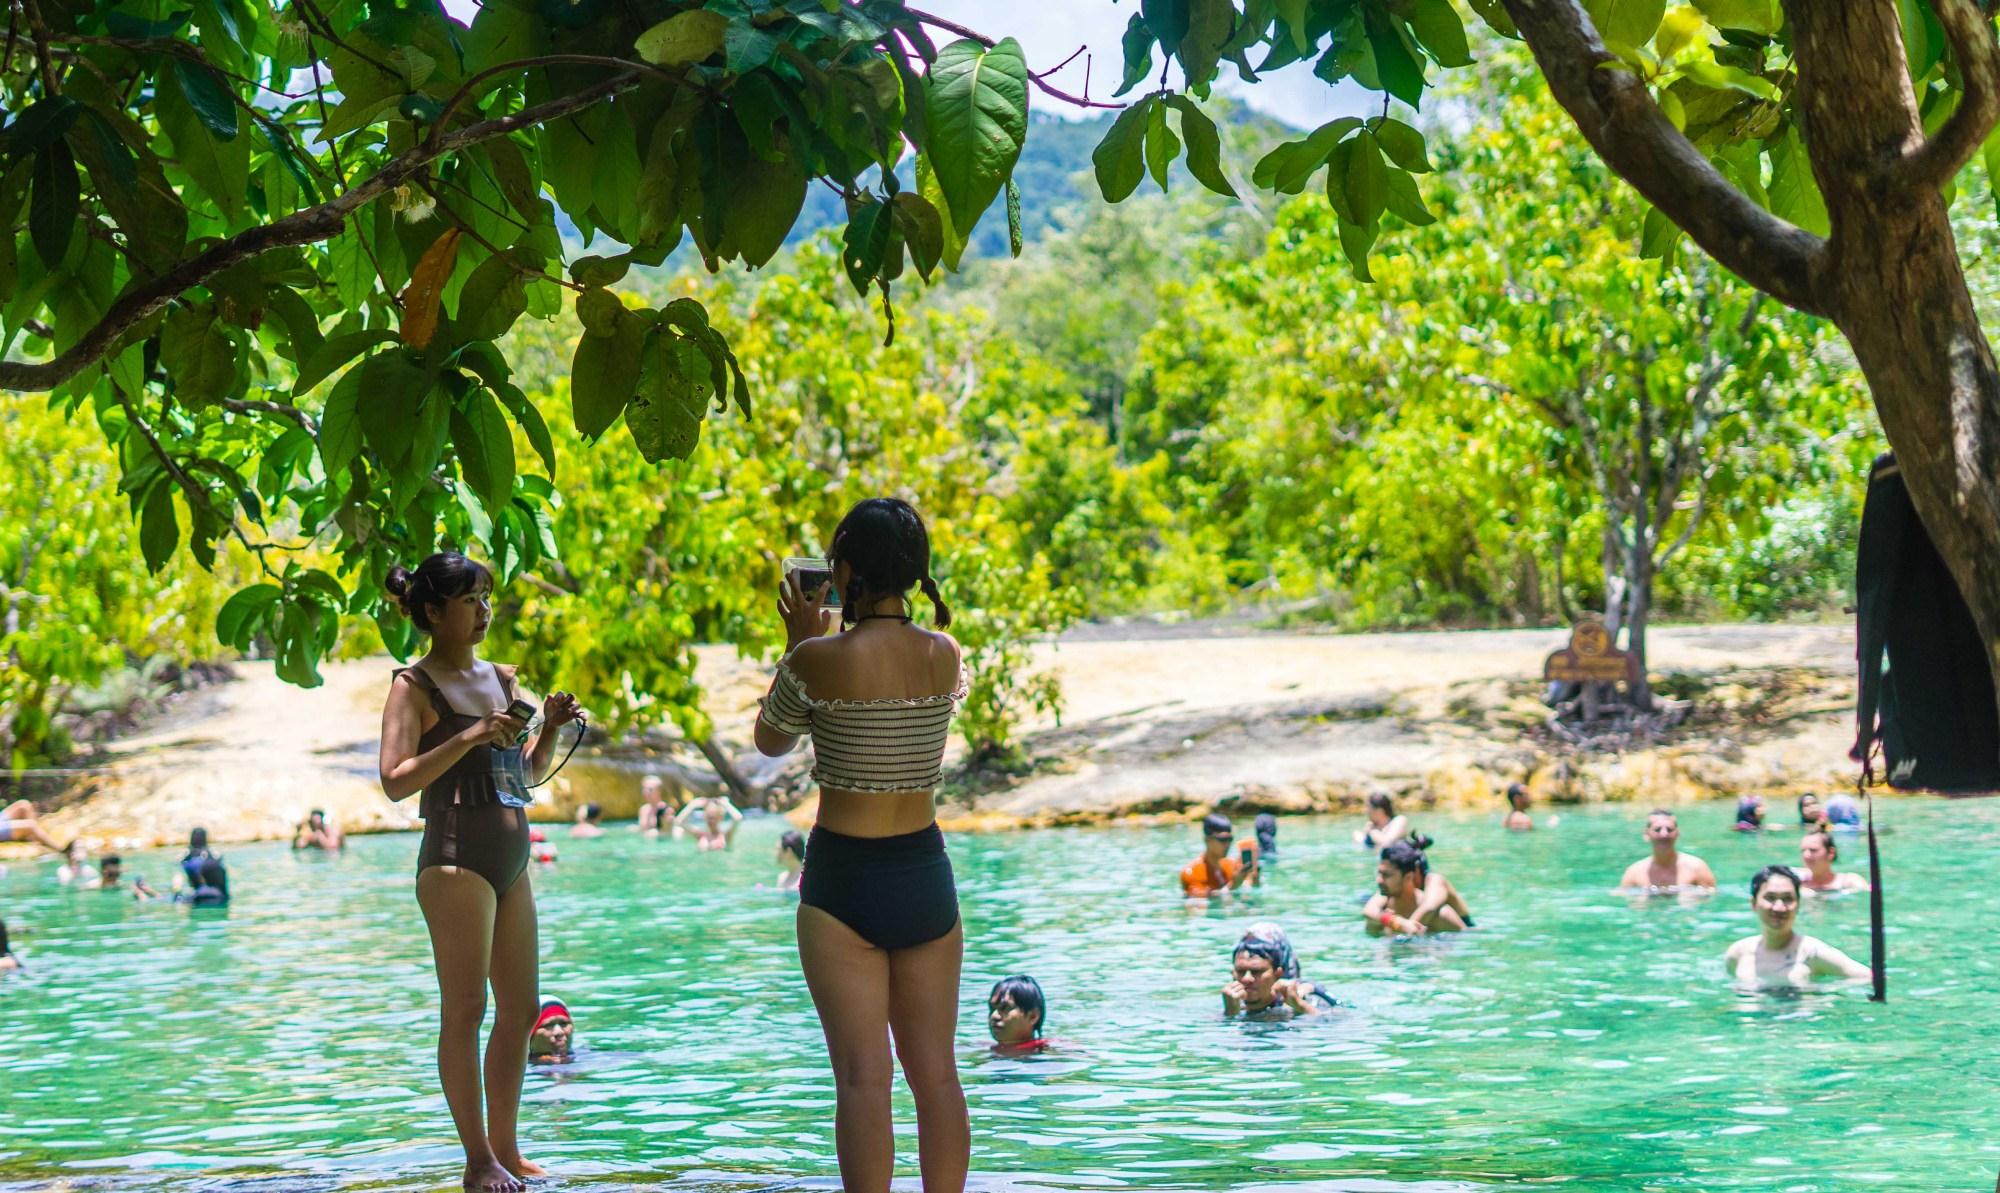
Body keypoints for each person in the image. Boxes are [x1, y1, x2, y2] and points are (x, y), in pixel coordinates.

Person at [752, 497, 970, 1193]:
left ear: (844, 571)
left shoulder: (818, 658)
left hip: (842, 879)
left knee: (862, 1077)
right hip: (924, 874)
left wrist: (797, 641)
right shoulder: (945, 652)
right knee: (935, 1072)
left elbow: (768, 741)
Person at [377, 551, 583, 1193]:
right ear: (433, 612)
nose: (484, 611)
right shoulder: (412, 687)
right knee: (465, 1009)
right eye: (471, 601)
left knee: (520, 1009)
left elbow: (522, 770)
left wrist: (543, 729)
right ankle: (476, 1161)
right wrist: (466, 737)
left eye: (487, 599)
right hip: (454, 857)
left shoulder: (503, 676)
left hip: (511, 856)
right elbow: (391, 781)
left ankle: (506, 1148)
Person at [1724, 865, 1872, 987]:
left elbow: (1869, 978)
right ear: (1754, 904)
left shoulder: (1813, 953)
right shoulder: (1738, 953)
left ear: (1798, 905)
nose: (1779, 907)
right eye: (1770, 898)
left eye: (1788, 899)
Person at [1364, 840, 1470, 935]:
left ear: (1413, 873)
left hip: (1462, 929)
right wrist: (1397, 922)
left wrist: (1406, 929)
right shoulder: (1389, 890)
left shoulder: (1434, 881)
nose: (1379, 880)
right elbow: (1369, 910)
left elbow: (1429, 907)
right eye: (1379, 873)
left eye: (1386, 875)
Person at [1222, 933, 1336, 1016]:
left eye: (1257, 972)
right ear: (1233, 974)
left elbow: (1336, 1025)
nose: (1247, 979)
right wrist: (1230, 1012)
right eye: (1241, 971)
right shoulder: (1231, 1005)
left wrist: (1301, 1006)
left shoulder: (1302, 1000)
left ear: (1277, 974)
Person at [1618, 809, 1717, 891]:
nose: (1664, 834)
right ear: (1646, 834)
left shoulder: (1697, 868)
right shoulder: (1634, 873)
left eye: (1669, 829)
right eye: (1657, 829)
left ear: (1677, 833)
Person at [1180, 813, 1259, 897]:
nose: (1227, 844)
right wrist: (1233, 886)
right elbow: (1199, 902)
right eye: (1223, 839)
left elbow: (1250, 891)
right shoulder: (1191, 873)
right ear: (1207, 840)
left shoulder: (1232, 865)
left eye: (1229, 839)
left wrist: (1254, 878)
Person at [987, 975, 1050, 1053]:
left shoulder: (1047, 1049)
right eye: (991, 1009)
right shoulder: (987, 1049)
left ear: (1033, 1017)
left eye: (1004, 1008)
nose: (994, 1016)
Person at [1797, 831, 1871, 894]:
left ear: (1831, 853)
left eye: (1813, 850)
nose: (1806, 856)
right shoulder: (1796, 883)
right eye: (1803, 851)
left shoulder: (1850, 881)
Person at [673, 794, 743, 851]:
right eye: (708, 818)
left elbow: (738, 818)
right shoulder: (700, 835)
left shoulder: (726, 836)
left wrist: (726, 804)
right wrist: (692, 805)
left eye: (713, 818)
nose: (710, 821)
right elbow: (678, 822)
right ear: (704, 817)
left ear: (720, 818)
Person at [87, 855, 158, 900]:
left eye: (117, 872)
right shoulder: (92, 886)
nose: (116, 878)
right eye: (113, 874)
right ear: (104, 871)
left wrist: (150, 892)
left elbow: (156, 897)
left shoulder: (121, 885)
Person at [527, 996, 574, 1064]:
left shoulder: (587, 1055)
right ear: (529, 1035)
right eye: (548, 1025)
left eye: (564, 1023)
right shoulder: (514, 1067)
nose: (559, 1032)